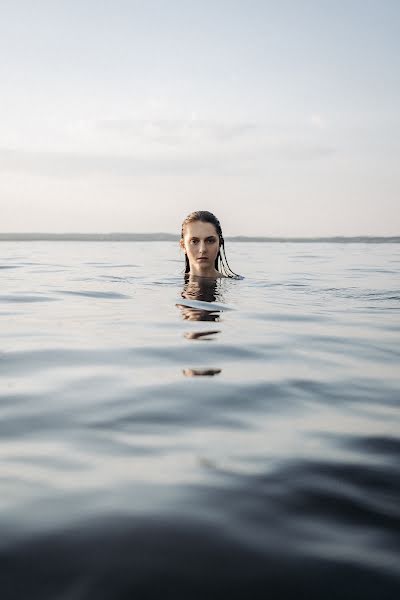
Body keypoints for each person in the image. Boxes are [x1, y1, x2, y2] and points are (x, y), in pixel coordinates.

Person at [179, 210, 241, 279]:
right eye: (194, 241)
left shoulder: (235, 285)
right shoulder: (170, 283)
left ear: (219, 244)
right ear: (183, 246)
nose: (202, 249)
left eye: (210, 241)